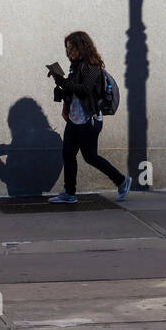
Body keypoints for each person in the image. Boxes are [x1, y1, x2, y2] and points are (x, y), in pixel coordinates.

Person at [46, 31, 132, 203]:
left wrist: (63, 82)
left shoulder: (92, 66)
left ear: (81, 47)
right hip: (74, 118)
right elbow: (73, 91)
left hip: (89, 120)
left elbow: (84, 89)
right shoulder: (75, 66)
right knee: (68, 154)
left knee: (90, 156)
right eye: (67, 48)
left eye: (71, 48)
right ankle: (69, 193)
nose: (69, 52)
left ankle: (122, 181)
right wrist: (60, 84)